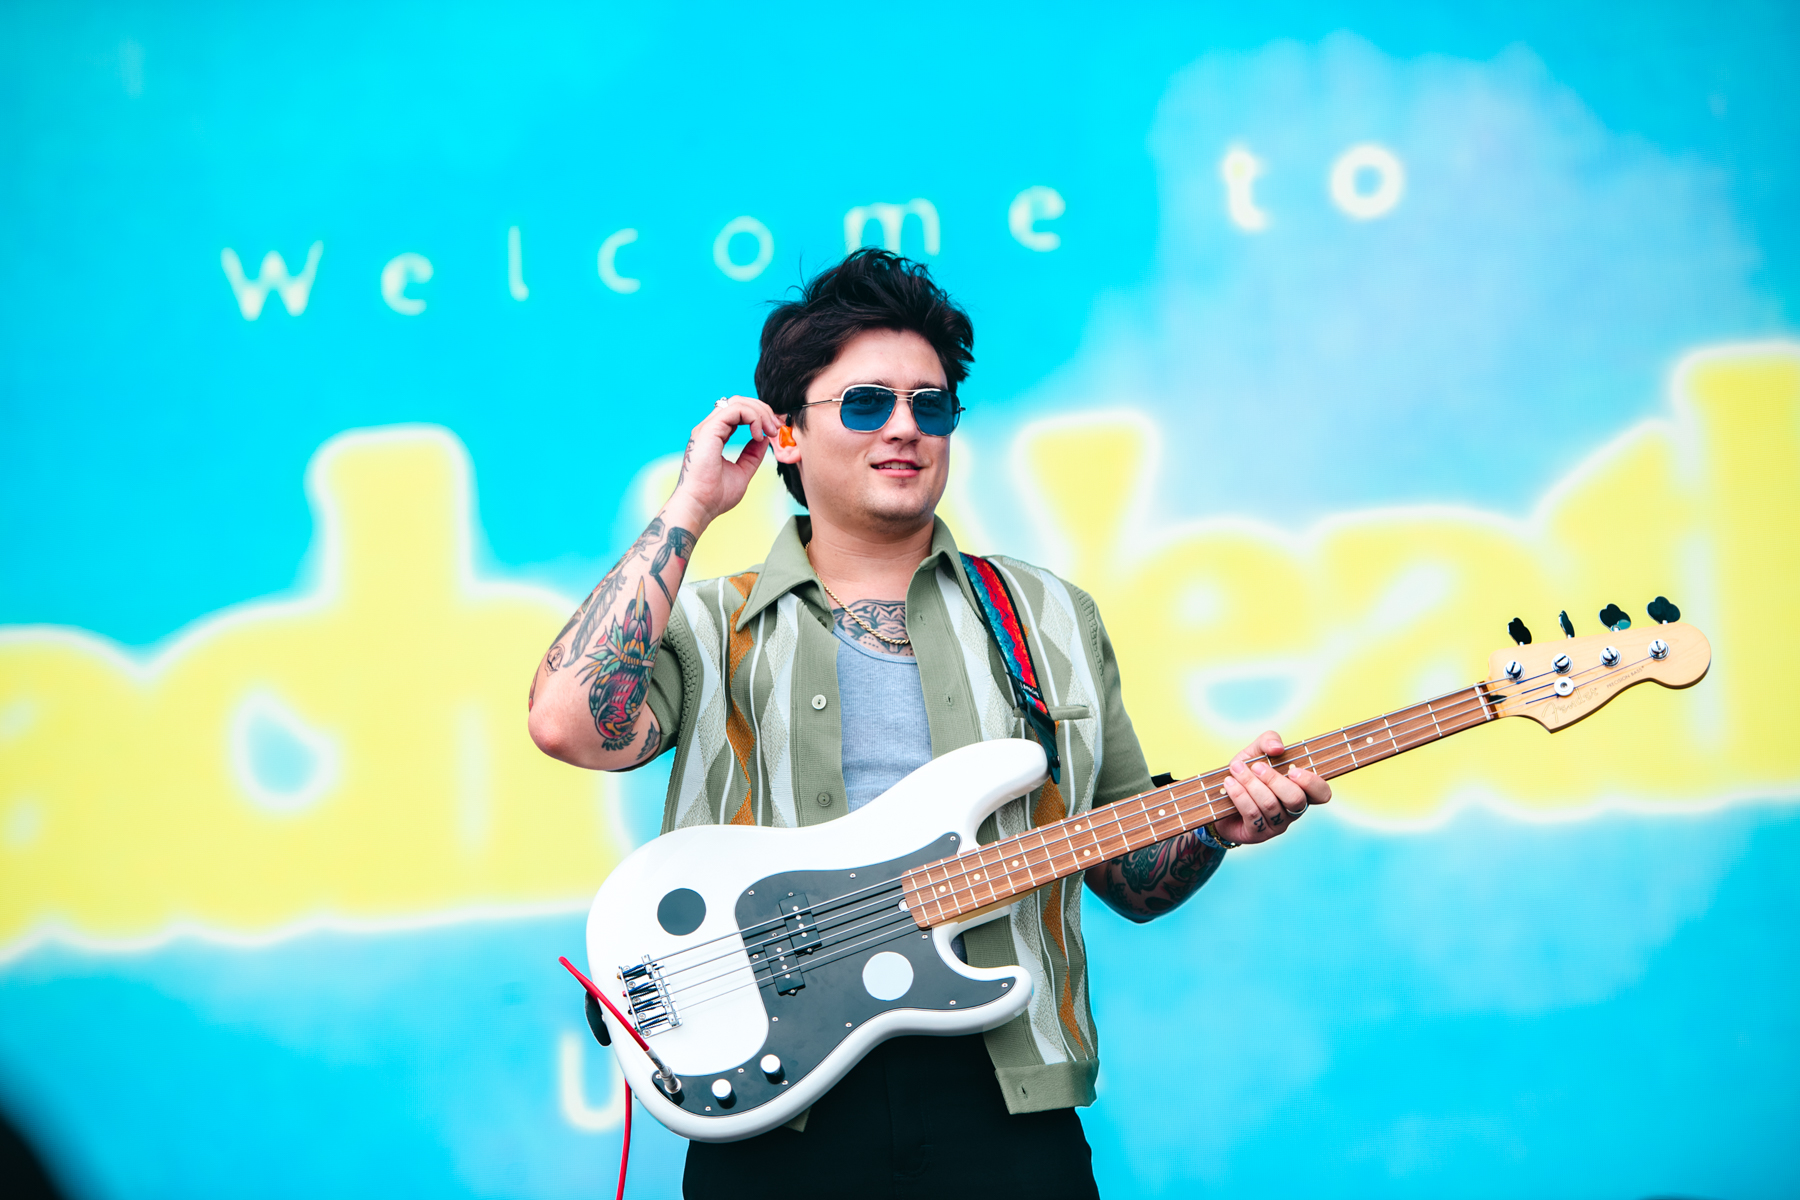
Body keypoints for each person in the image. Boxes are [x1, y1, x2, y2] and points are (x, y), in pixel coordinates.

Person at [527, 249, 1331, 1198]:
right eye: (866, 404)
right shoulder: (707, 623)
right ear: (786, 434)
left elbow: (1131, 880)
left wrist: (1218, 826)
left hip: (1003, 1108)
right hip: (773, 1113)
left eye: (931, 405)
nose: (905, 427)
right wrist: (693, 504)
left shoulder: (1049, 616)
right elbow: (568, 723)